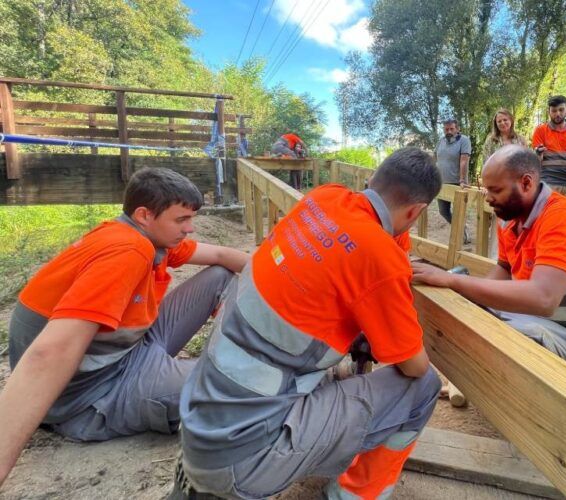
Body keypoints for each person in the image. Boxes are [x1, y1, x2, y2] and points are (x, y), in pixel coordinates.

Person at [172, 148, 443, 499]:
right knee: (424, 388)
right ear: (417, 211)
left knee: (340, 359)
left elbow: (365, 243)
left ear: (371, 180)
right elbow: (414, 366)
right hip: (244, 464)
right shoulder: (378, 256)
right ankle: (352, 495)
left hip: (201, 432)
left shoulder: (323, 198)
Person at [0, 168, 249, 485]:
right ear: (145, 214)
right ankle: (223, 369)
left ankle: (220, 360)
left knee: (219, 274)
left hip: (128, 352)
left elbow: (220, 253)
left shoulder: (139, 235)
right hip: (92, 395)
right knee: (242, 383)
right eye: (181, 219)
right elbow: (49, 352)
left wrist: (281, 279)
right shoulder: (128, 251)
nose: (191, 228)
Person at [412, 145, 566, 379]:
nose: (488, 198)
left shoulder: (562, 218)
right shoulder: (511, 219)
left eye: (496, 190)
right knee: (474, 315)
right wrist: (470, 302)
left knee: (501, 335)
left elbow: (543, 298)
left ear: (526, 183)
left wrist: (454, 281)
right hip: (542, 323)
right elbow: (504, 268)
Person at [482, 108, 527, 259]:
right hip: (499, 187)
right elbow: (486, 164)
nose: (502, 123)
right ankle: (497, 259)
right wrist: (486, 186)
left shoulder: (520, 140)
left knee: (517, 224)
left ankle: (516, 258)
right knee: (499, 224)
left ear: (511, 120)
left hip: (517, 187)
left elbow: (526, 162)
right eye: (499, 121)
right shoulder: (491, 140)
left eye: (505, 120)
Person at [531, 95, 566, 200]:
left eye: (561, 110)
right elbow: (537, 161)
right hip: (547, 184)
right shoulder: (540, 130)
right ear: (549, 111)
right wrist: (538, 154)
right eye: (554, 111)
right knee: (547, 215)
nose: (558, 114)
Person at [434, 119, 471, 243]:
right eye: (446, 129)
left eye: (451, 129)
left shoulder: (464, 140)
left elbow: (464, 160)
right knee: (443, 211)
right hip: (441, 182)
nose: (449, 131)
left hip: (458, 183)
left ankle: (462, 233)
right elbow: (434, 159)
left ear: (457, 129)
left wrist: (462, 180)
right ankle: (461, 228)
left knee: (459, 213)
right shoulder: (441, 141)